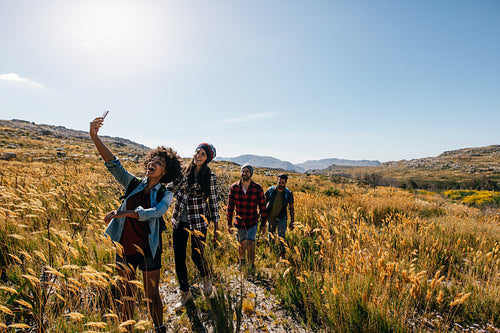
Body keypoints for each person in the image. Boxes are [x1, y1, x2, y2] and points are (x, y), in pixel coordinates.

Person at [89, 116, 182, 333]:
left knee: (151, 296)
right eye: (153, 160)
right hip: (126, 247)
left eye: (159, 163)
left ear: (165, 172)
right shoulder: (133, 184)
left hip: (149, 248)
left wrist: (125, 213)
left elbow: (157, 212)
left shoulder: (166, 193)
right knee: (126, 294)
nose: (153, 164)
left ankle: (160, 328)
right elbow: (114, 164)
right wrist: (95, 137)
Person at [169, 143, 220, 306]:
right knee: (179, 257)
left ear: (208, 159)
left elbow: (213, 201)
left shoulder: (209, 177)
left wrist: (216, 227)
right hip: (179, 219)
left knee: (197, 255)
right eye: (197, 152)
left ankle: (206, 277)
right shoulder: (185, 171)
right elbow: (172, 186)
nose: (198, 155)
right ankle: (185, 293)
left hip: (199, 221)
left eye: (203, 154)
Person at [226, 164, 267, 272]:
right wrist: (229, 223)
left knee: (250, 243)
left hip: (252, 221)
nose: (244, 173)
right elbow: (230, 206)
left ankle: (251, 265)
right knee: (241, 243)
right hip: (239, 222)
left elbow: (263, 207)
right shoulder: (234, 187)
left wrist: (263, 224)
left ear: (251, 174)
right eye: (243, 171)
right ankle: (242, 262)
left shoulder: (257, 188)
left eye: (247, 171)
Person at [265, 174, 295, 258]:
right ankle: (272, 253)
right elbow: (263, 201)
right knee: (271, 237)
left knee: (282, 237)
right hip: (271, 218)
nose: (280, 184)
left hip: (282, 218)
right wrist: (262, 215)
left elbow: (291, 208)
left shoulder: (288, 193)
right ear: (277, 181)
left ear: (285, 183)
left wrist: (292, 221)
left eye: (282, 183)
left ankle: (282, 255)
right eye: (279, 182)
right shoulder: (271, 191)